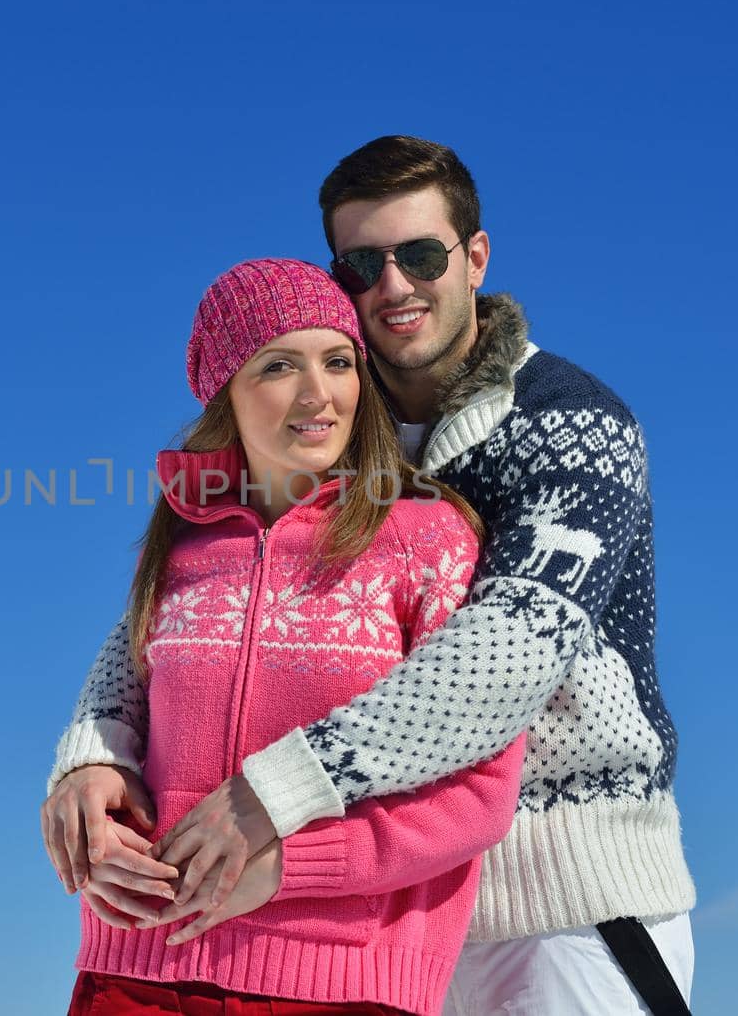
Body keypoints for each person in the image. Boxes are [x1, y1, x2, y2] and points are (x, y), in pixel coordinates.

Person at [44, 137, 698, 1015]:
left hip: (563, 898)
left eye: (421, 255)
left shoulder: (573, 425)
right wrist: (94, 751)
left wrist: (271, 796)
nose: (393, 286)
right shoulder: (335, 420)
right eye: (362, 263)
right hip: (378, 922)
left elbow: (505, 656)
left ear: (475, 258)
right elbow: (191, 604)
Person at [53, 258, 526, 1016]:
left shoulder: (425, 541)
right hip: (134, 974)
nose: (318, 395)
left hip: (341, 986)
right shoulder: (176, 547)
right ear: (226, 395)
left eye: (338, 362)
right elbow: (126, 721)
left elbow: (478, 794)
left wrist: (292, 865)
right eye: (278, 366)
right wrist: (95, 808)